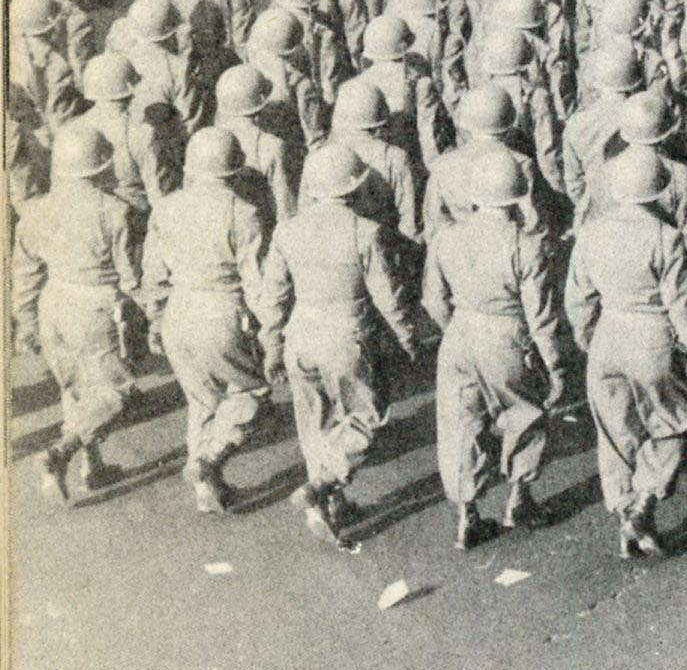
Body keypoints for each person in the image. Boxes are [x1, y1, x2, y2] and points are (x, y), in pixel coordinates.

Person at [259, 139, 425, 546]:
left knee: (314, 422)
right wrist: (409, 340)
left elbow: (274, 298)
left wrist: (272, 346)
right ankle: (324, 484)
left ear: (312, 188)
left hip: (301, 336)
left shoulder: (287, 232)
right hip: (345, 339)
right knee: (364, 420)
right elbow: (389, 298)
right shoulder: (365, 233)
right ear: (355, 188)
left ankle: (329, 503)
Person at [566, 147, 687, 558]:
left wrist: (586, 337)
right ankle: (645, 502)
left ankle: (623, 511)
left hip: (608, 334)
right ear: (659, 191)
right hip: (653, 338)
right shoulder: (665, 237)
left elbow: (577, 299)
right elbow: (682, 304)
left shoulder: (590, 233)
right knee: (669, 422)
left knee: (614, 432)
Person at [424, 145, 569, 548]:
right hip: (506, 336)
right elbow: (540, 318)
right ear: (518, 194)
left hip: (458, 334)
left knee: (460, 423)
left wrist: (454, 328)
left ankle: (467, 515)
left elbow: (433, 300)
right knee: (524, 416)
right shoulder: (528, 244)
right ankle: (519, 499)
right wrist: (555, 367)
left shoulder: (446, 238)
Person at [142, 125, 278, 512]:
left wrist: (154, 317)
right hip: (222, 312)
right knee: (252, 395)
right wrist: (273, 334)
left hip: (177, 312)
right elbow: (255, 283)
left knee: (201, 400)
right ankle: (209, 460)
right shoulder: (244, 213)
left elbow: (152, 272)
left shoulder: (166, 207)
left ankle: (206, 490)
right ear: (235, 170)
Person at [12, 125, 146, 506]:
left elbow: (24, 273)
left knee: (74, 387)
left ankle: (93, 466)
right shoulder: (115, 211)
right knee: (118, 393)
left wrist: (26, 322)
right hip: (95, 306)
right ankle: (62, 452)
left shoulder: (36, 210)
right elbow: (131, 277)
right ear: (98, 168)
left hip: (52, 303)